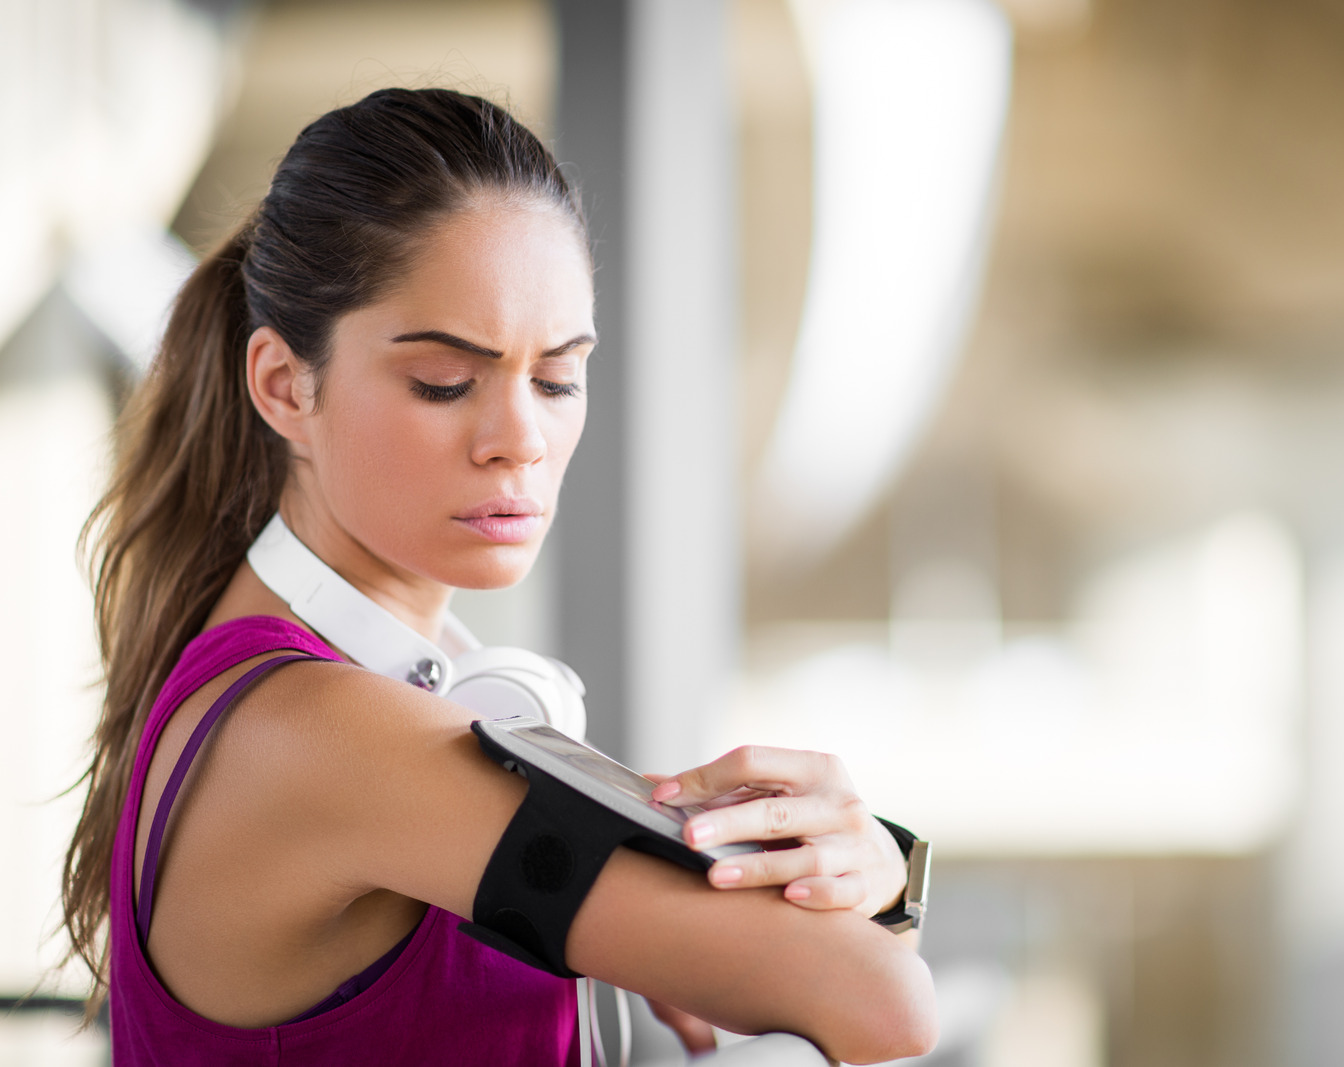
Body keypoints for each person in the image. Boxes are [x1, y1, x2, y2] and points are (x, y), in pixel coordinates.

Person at [59, 87, 937, 1066]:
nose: (519, 438)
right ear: (283, 386)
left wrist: (838, 879)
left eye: (557, 378)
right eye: (445, 381)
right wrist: (877, 894)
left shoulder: (345, 695)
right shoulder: (327, 732)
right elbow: (880, 1006)